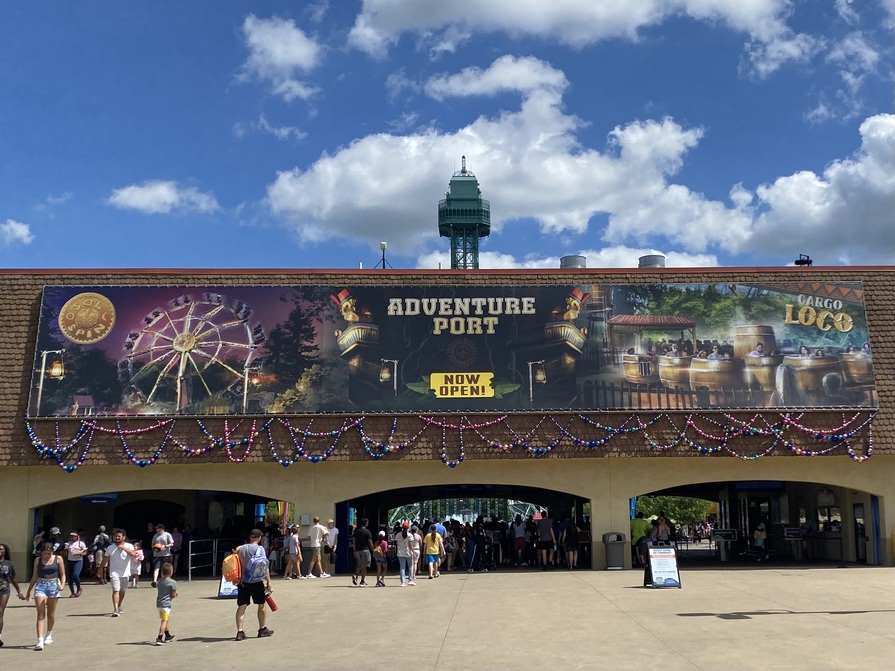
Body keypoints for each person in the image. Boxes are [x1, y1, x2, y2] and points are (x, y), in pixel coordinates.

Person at [25, 541, 66, 651]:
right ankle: (40, 640)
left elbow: (63, 574)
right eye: (44, 554)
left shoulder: (58, 559)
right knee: (40, 614)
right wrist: (29, 591)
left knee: (51, 614)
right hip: (40, 586)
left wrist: (62, 585)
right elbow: (34, 575)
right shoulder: (37, 560)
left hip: (53, 585)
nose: (47, 556)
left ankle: (49, 634)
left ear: (52, 552)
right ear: (41, 553)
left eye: (49, 553)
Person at [234, 529, 274, 641]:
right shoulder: (260, 549)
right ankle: (262, 629)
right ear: (260, 538)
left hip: (243, 582)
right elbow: (263, 566)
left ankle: (240, 632)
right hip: (256, 582)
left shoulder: (240, 549)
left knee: (242, 606)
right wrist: (268, 581)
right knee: (261, 605)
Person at [101, 528, 136, 617]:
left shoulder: (129, 546)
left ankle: (119, 604)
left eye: (119, 536)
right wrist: (100, 570)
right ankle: (115, 609)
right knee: (116, 590)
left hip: (125, 573)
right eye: (115, 536)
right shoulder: (110, 548)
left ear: (123, 537)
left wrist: (123, 548)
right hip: (114, 573)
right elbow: (105, 559)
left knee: (122, 591)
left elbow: (133, 554)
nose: (117, 538)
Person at [0, 543, 26, 648]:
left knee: (0, 612)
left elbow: (13, 579)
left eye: (1, 549)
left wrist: (19, 591)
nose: (0, 551)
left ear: (5, 551)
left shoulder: (9, 564)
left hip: (4, 589)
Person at [154, 562, 177, 645]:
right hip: (166, 604)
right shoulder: (172, 582)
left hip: (159, 603)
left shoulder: (159, 582)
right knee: (164, 620)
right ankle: (159, 637)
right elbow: (173, 595)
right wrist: (174, 595)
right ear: (171, 572)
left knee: (165, 618)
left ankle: (167, 634)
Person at [63, 531, 87, 598]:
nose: (71, 538)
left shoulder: (81, 543)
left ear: (77, 537)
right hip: (70, 560)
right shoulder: (68, 544)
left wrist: (80, 554)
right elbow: (64, 554)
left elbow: (85, 552)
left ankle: (79, 588)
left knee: (75, 574)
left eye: (73, 536)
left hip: (78, 560)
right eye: (70, 536)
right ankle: (72, 592)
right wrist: (65, 549)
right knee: (70, 577)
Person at [352, 518, 374, 587]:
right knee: (365, 566)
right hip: (365, 550)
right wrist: (373, 550)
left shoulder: (356, 531)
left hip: (358, 550)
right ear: (366, 523)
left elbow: (354, 541)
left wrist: (354, 550)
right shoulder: (367, 532)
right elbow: (370, 542)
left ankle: (356, 575)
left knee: (359, 564)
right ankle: (362, 581)